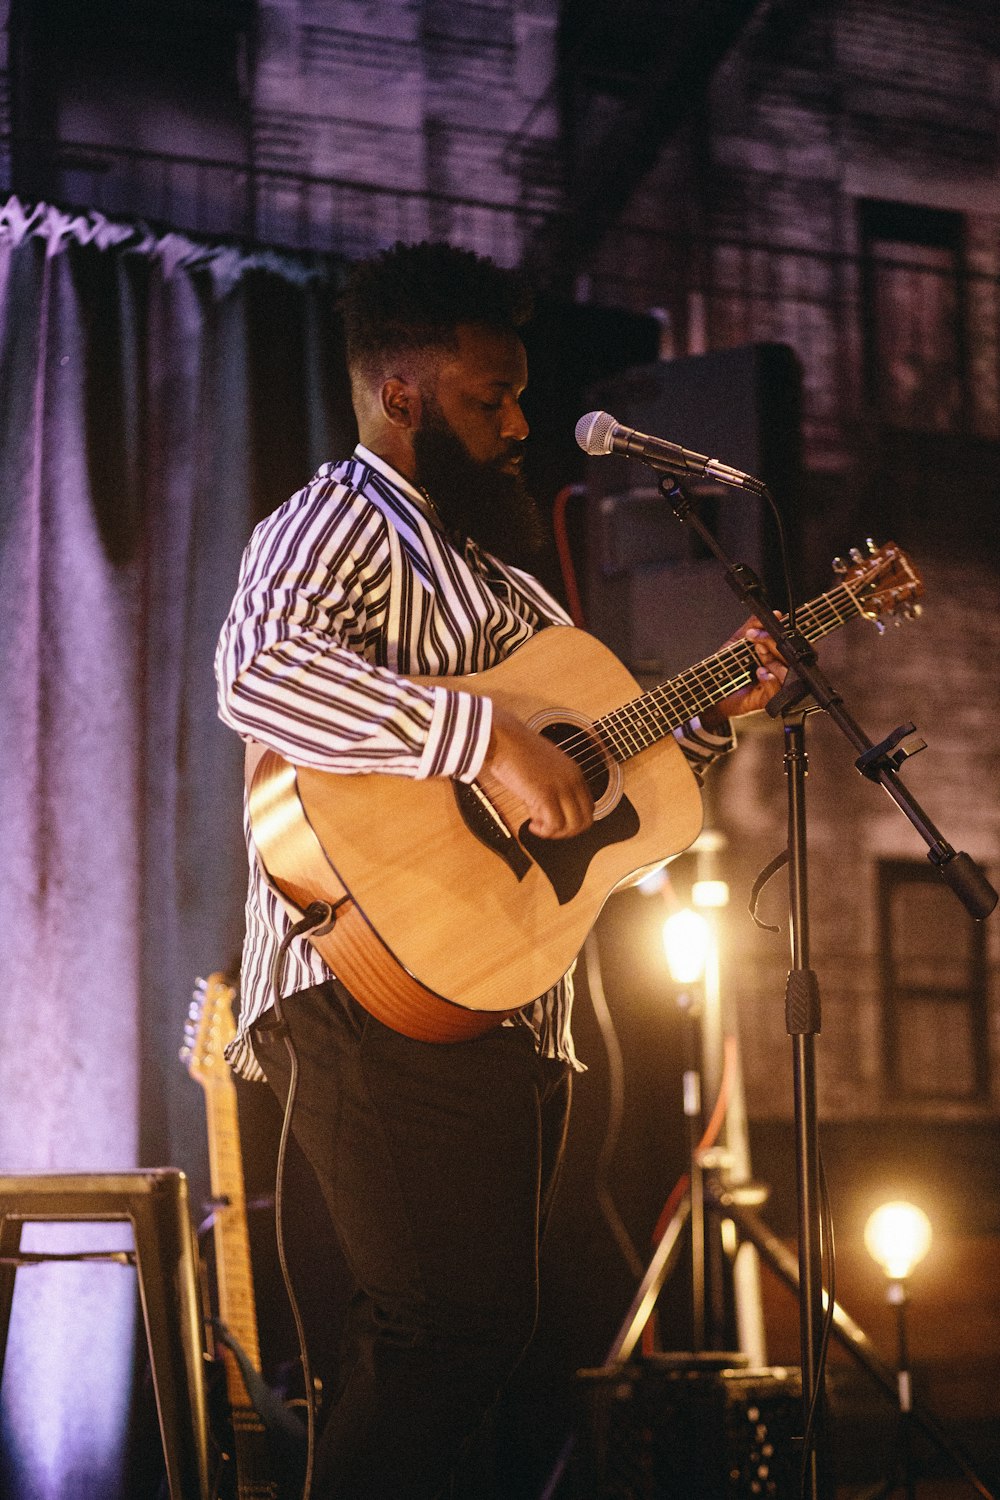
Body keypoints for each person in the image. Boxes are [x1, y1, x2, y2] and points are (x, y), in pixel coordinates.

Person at [215, 240, 786, 1499]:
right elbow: (261, 673)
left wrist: (710, 709)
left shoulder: (501, 579)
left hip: (507, 996)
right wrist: (482, 739)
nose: (522, 421)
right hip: (372, 982)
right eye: (491, 398)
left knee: (486, 1352)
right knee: (446, 1344)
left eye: (521, 394)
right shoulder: (335, 518)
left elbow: (592, 770)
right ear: (401, 393)